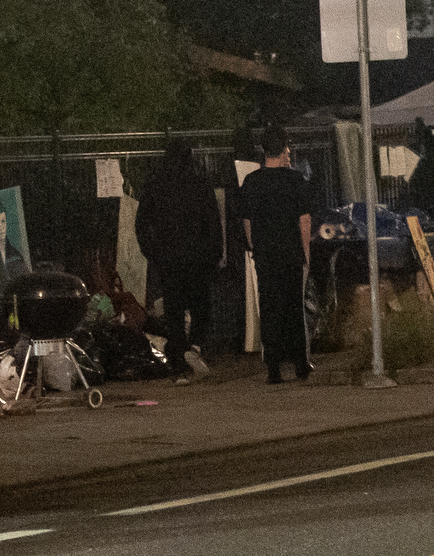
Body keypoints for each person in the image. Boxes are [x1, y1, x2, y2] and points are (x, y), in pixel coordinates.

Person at [132, 137, 223, 377]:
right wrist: (214, 253)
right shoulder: (199, 184)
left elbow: (142, 223)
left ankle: (180, 360)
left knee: (174, 311)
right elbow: (212, 222)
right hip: (198, 257)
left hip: (169, 259)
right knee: (201, 306)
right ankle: (194, 347)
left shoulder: (156, 185)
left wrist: (152, 251)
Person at [236, 133, 316, 384]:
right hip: (291, 253)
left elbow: (246, 221)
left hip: (265, 255)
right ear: (283, 151)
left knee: (269, 308)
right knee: (294, 308)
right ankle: (301, 363)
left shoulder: (251, 181)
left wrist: (255, 246)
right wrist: (306, 254)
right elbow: (304, 221)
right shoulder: (295, 180)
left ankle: (273, 367)